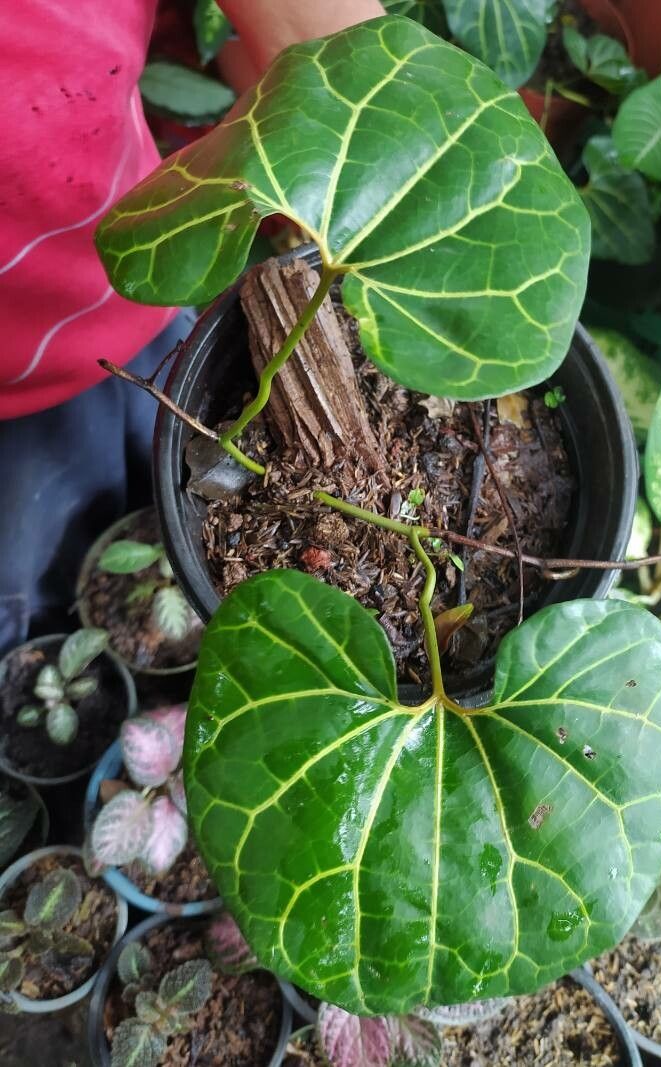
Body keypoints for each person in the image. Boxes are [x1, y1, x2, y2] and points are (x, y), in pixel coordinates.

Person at [0, 0, 384, 654]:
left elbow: (348, 68)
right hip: (18, 399)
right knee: (31, 578)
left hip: (138, 301)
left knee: (182, 474)